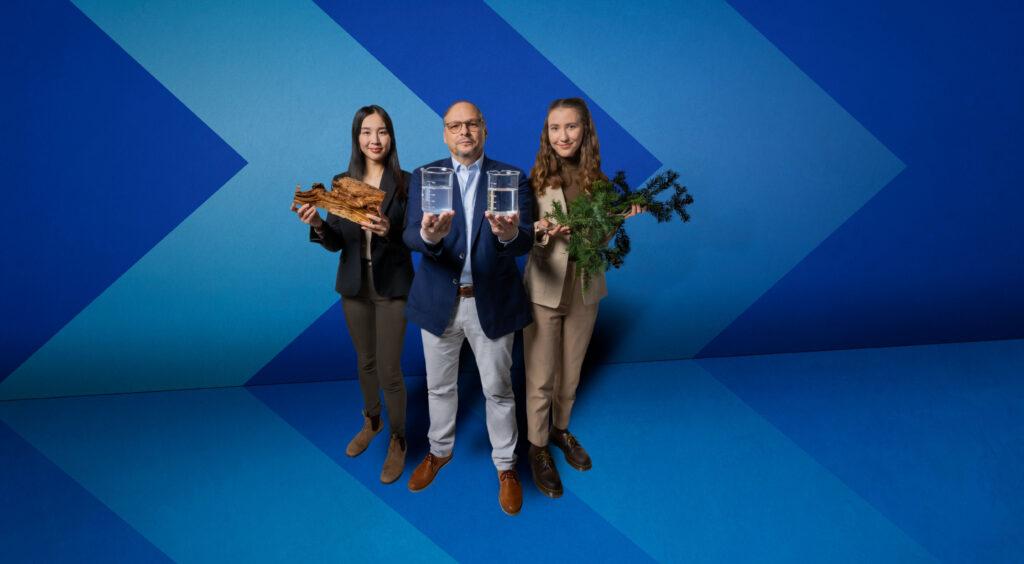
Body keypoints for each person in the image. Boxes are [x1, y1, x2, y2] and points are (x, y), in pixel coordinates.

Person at [402, 100, 533, 515]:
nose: (464, 132)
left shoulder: (511, 177)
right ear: (444, 133)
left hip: (490, 301)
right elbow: (408, 234)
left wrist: (511, 235)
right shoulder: (425, 176)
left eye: (472, 124)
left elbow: (526, 240)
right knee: (439, 386)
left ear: (485, 129)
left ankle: (507, 466)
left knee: (498, 388)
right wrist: (429, 237)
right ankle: (439, 451)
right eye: (455, 125)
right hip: (439, 299)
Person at [523, 98, 643, 498]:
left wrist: (617, 219)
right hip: (545, 287)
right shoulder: (536, 180)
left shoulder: (600, 183)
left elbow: (599, 240)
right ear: (546, 134)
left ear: (585, 131)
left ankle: (560, 431)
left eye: (571, 127)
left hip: (585, 288)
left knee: (571, 370)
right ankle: (537, 447)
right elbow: (522, 233)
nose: (563, 136)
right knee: (540, 375)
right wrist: (541, 231)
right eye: (555, 128)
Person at [291, 105, 414, 484]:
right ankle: (371, 421)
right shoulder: (341, 181)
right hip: (353, 285)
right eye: (366, 132)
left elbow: (413, 238)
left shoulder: (406, 183)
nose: (374, 140)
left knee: (390, 370)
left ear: (391, 137)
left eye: (381, 132)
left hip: (392, 285)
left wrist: (388, 230)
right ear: (356, 137)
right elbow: (334, 243)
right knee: (365, 362)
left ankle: (398, 438)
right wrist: (315, 225)